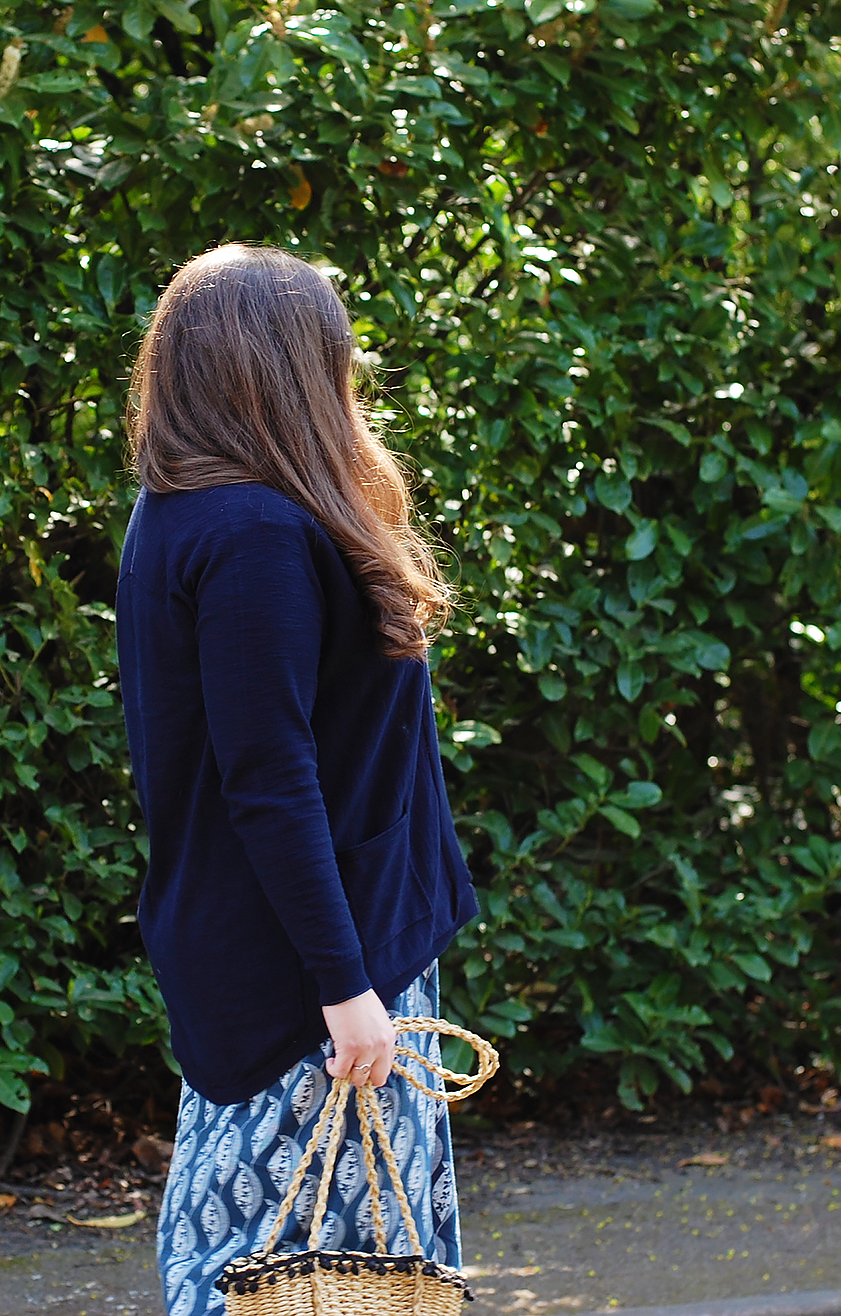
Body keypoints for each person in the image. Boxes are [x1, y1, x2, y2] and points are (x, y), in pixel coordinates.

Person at [117, 244, 480, 1316]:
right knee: (308, 1272)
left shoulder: (179, 513)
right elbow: (268, 778)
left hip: (285, 956)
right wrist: (347, 989)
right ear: (285, 369)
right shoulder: (256, 535)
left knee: (259, 1262)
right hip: (316, 982)